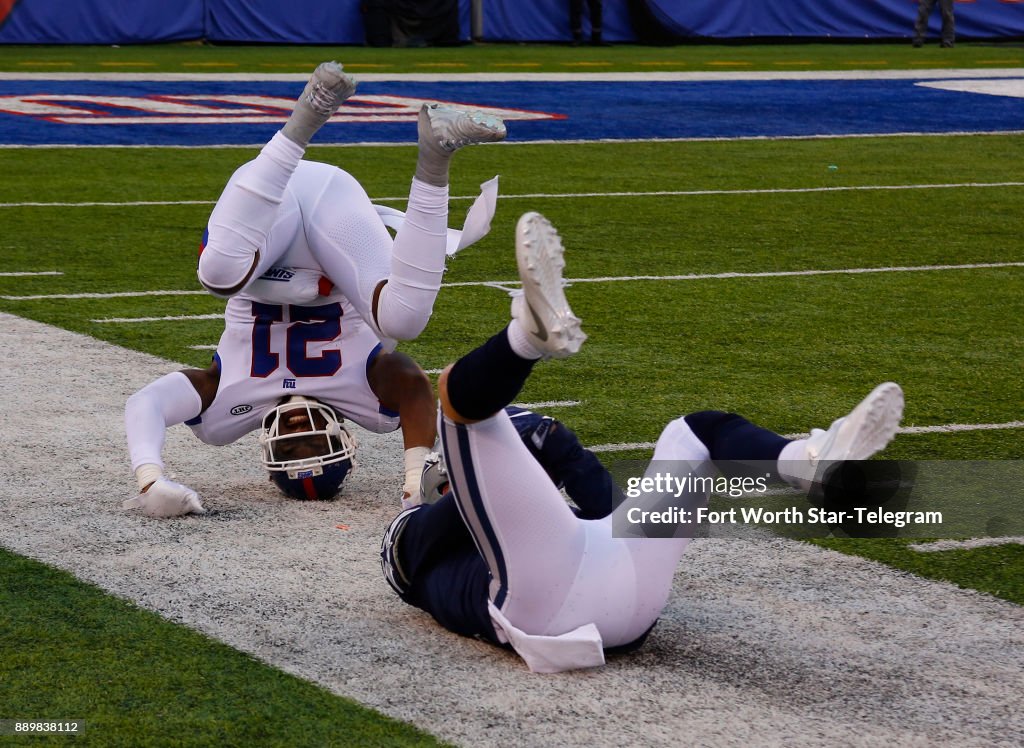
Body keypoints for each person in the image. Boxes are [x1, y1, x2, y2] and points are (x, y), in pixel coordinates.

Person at [380, 212, 905, 673]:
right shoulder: (411, 540)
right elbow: (508, 487)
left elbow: (597, 498)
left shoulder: (526, 533)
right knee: (457, 396)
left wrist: (539, 448)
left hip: (615, 600)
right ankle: (524, 338)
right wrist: (532, 450)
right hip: (551, 604)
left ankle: (804, 461)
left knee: (694, 432)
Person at [123, 61, 506, 518]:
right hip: (331, 210)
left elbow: (145, 401)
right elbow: (411, 382)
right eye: (314, 443)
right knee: (406, 319)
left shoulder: (226, 411)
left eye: (291, 450)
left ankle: (308, 114)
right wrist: (415, 479)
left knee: (219, 276)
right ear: (344, 438)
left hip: (267, 214)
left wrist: (150, 478)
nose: (300, 433)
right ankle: (436, 154)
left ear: (268, 448)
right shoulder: (368, 399)